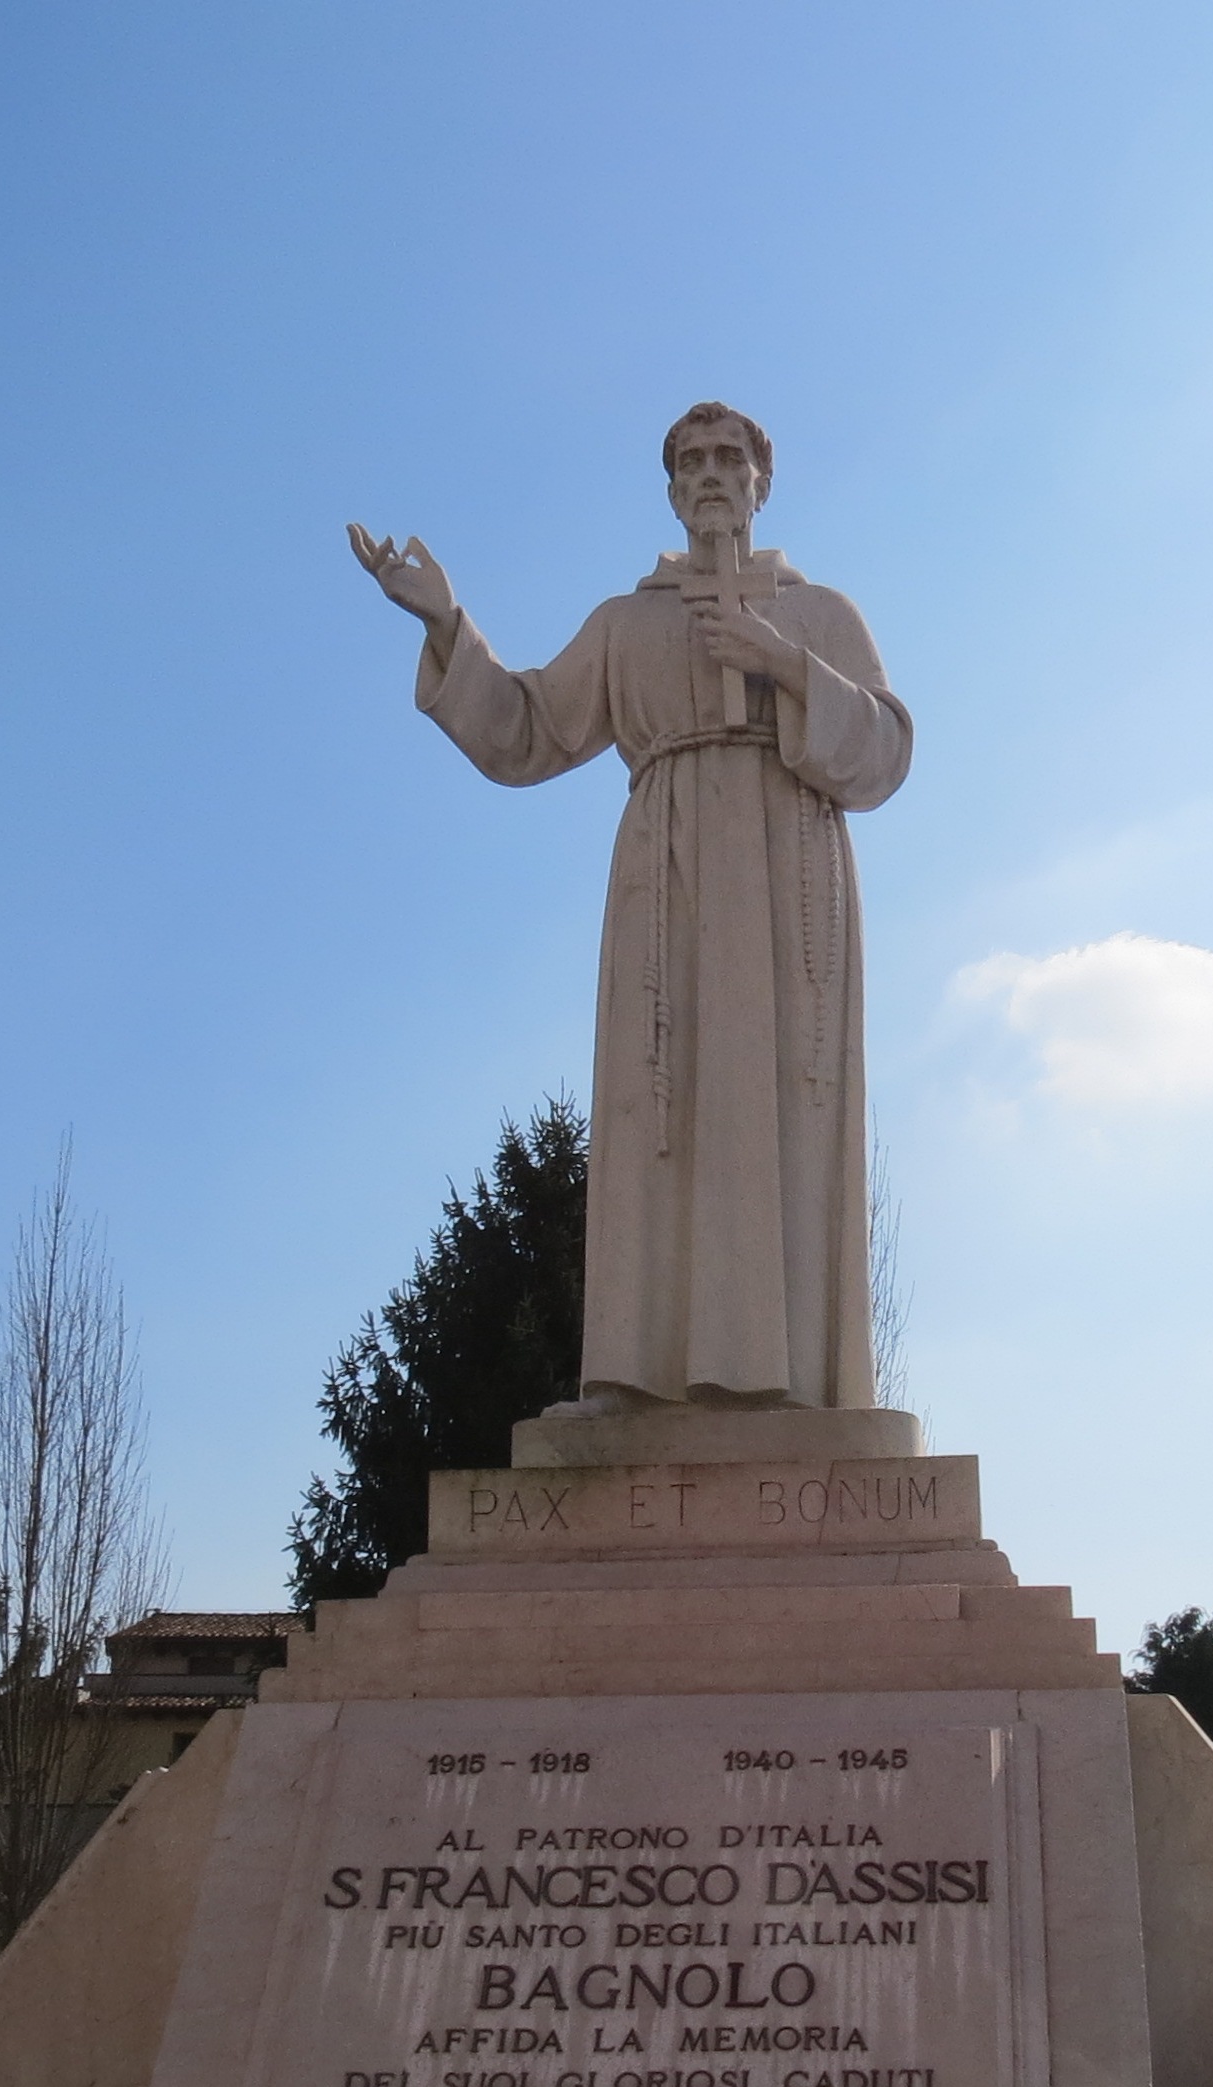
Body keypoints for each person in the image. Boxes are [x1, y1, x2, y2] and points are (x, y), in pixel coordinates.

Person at [349, 402, 911, 1414]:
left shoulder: (821, 614)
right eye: (690, 460)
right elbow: (526, 731)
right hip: (668, 877)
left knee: (788, 1112)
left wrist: (778, 658)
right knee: (653, 1111)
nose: (710, 473)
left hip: (794, 880)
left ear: (760, 482)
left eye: (728, 457)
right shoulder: (628, 623)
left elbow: (882, 757)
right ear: (669, 489)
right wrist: (446, 624)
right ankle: (634, 1382)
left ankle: (807, 1390)